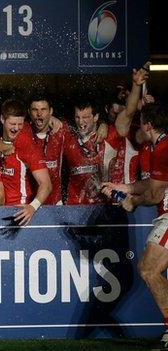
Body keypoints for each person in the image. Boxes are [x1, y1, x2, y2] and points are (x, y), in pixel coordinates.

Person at [101, 103, 168, 350]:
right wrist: (125, 189)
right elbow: (152, 182)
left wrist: (132, 202)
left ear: (148, 125)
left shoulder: (162, 149)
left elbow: (155, 194)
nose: (138, 127)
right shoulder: (159, 146)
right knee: (149, 269)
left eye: (141, 122)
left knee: (149, 269)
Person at [0, 99, 51, 225]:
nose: (16, 128)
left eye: (20, 124)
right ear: (2, 119)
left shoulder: (27, 145)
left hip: (18, 211)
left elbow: (46, 184)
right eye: (12, 124)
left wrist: (33, 207)